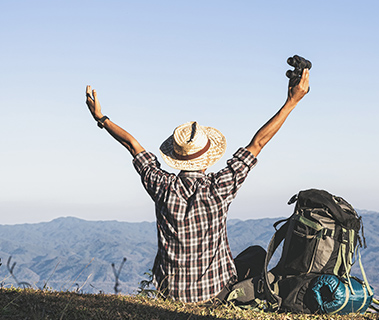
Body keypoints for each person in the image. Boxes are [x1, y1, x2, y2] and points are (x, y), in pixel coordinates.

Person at [84, 68, 309, 303]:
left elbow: (132, 145)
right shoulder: (220, 186)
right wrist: (292, 101)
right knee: (256, 254)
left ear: (177, 156)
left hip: (169, 293)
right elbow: (259, 142)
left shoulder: (161, 185)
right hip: (215, 294)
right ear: (208, 157)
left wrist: (100, 118)